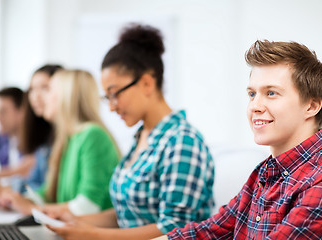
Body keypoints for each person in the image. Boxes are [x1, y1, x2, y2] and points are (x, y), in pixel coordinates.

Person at [153, 40, 322, 239]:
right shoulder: (264, 172)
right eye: (252, 94)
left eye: (271, 93)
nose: (255, 106)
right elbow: (209, 231)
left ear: (312, 106)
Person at [47, 24, 215, 240]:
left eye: (114, 93)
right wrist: (73, 221)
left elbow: (175, 229)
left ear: (146, 83)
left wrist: (94, 235)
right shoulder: (141, 138)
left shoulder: (182, 141)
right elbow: (126, 215)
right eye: (107, 97)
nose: (111, 106)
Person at [0, 69, 120, 216]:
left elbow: (88, 206)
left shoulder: (92, 135)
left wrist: (32, 209)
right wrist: (18, 201)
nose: (42, 98)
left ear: (66, 96)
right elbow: (49, 194)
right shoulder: (69, 139)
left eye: (48, 90)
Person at [17, 64, 63, 191]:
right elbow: (34, 182)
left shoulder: (72, 136)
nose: (35, 96)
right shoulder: (47, 135)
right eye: (32, 89)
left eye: (45, 88)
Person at [0, 87, 26, 190]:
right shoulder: (2, 139)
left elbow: (26, 169)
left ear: (21, 112)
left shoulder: (35, 140)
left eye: (3, 111)